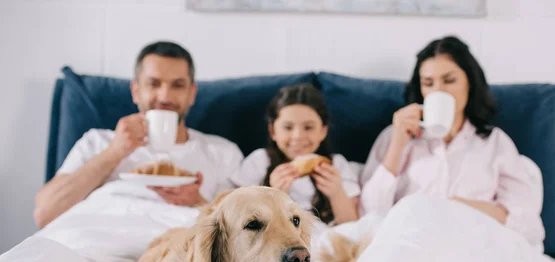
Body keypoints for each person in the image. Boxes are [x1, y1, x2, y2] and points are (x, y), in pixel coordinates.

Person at [34, 41, 243, 228]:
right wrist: (115, 152)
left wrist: (199, 203)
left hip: (172, 248)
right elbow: (45, 214)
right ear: (135, 91)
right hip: (94, 242)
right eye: (153, 84)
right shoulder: (98, 141)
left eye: (177, 85)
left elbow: (240, 233)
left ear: (192, 94)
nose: (164, 96)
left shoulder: (222, 152)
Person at [360, 36, 545, 247]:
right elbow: (368, 214)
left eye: (449, 80)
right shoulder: (395, 136)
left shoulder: (495, 143)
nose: (438, 91)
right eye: (428, 83)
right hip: (409, 247)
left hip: (474, 247)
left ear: (470, 83)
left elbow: (526, 223)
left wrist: (459, 208)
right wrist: (397, 145)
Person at [230, 84, 360, 226]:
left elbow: (351, 224)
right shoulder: (260, 161)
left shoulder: (336, 164)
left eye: (308, 127)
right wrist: (273, 195)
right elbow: (238, 216)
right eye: (288, 127)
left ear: (323, 131)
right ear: (273, 131)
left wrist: (336, 192)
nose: (298, 136)